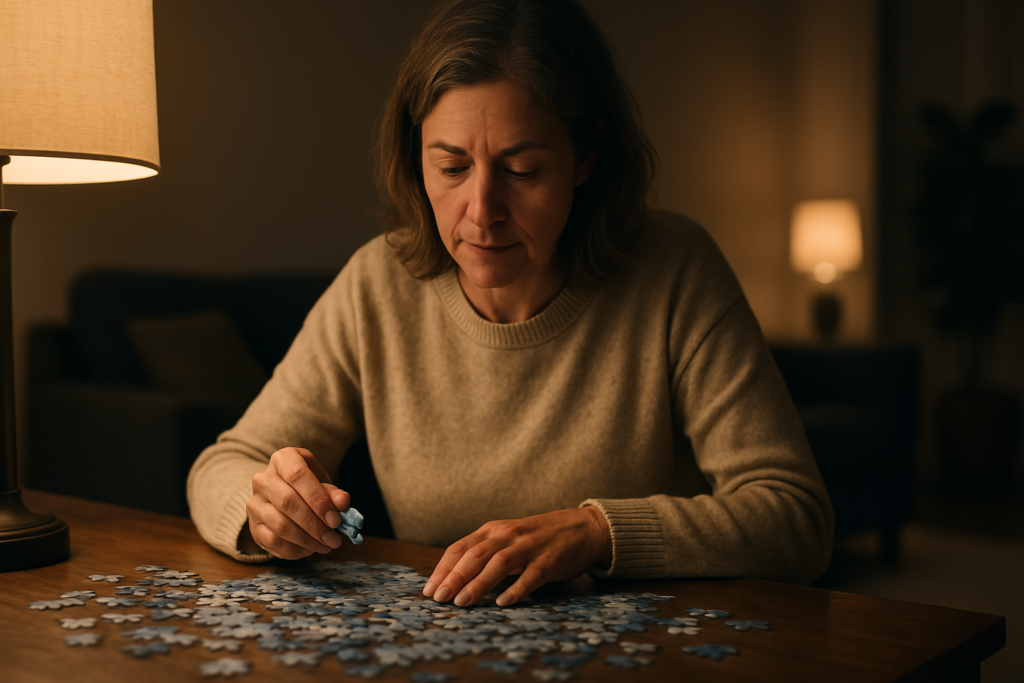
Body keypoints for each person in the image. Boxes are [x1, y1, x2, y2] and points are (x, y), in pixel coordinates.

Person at [187, 0, 833, 608]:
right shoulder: (376, 284)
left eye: (522, 171)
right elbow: (221, 465)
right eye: (451, 166)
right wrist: (264, 508)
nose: (482, 212)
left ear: (587, 155)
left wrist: (594, 531)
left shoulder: (674, 269)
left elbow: (794, 516)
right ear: (417, 156)